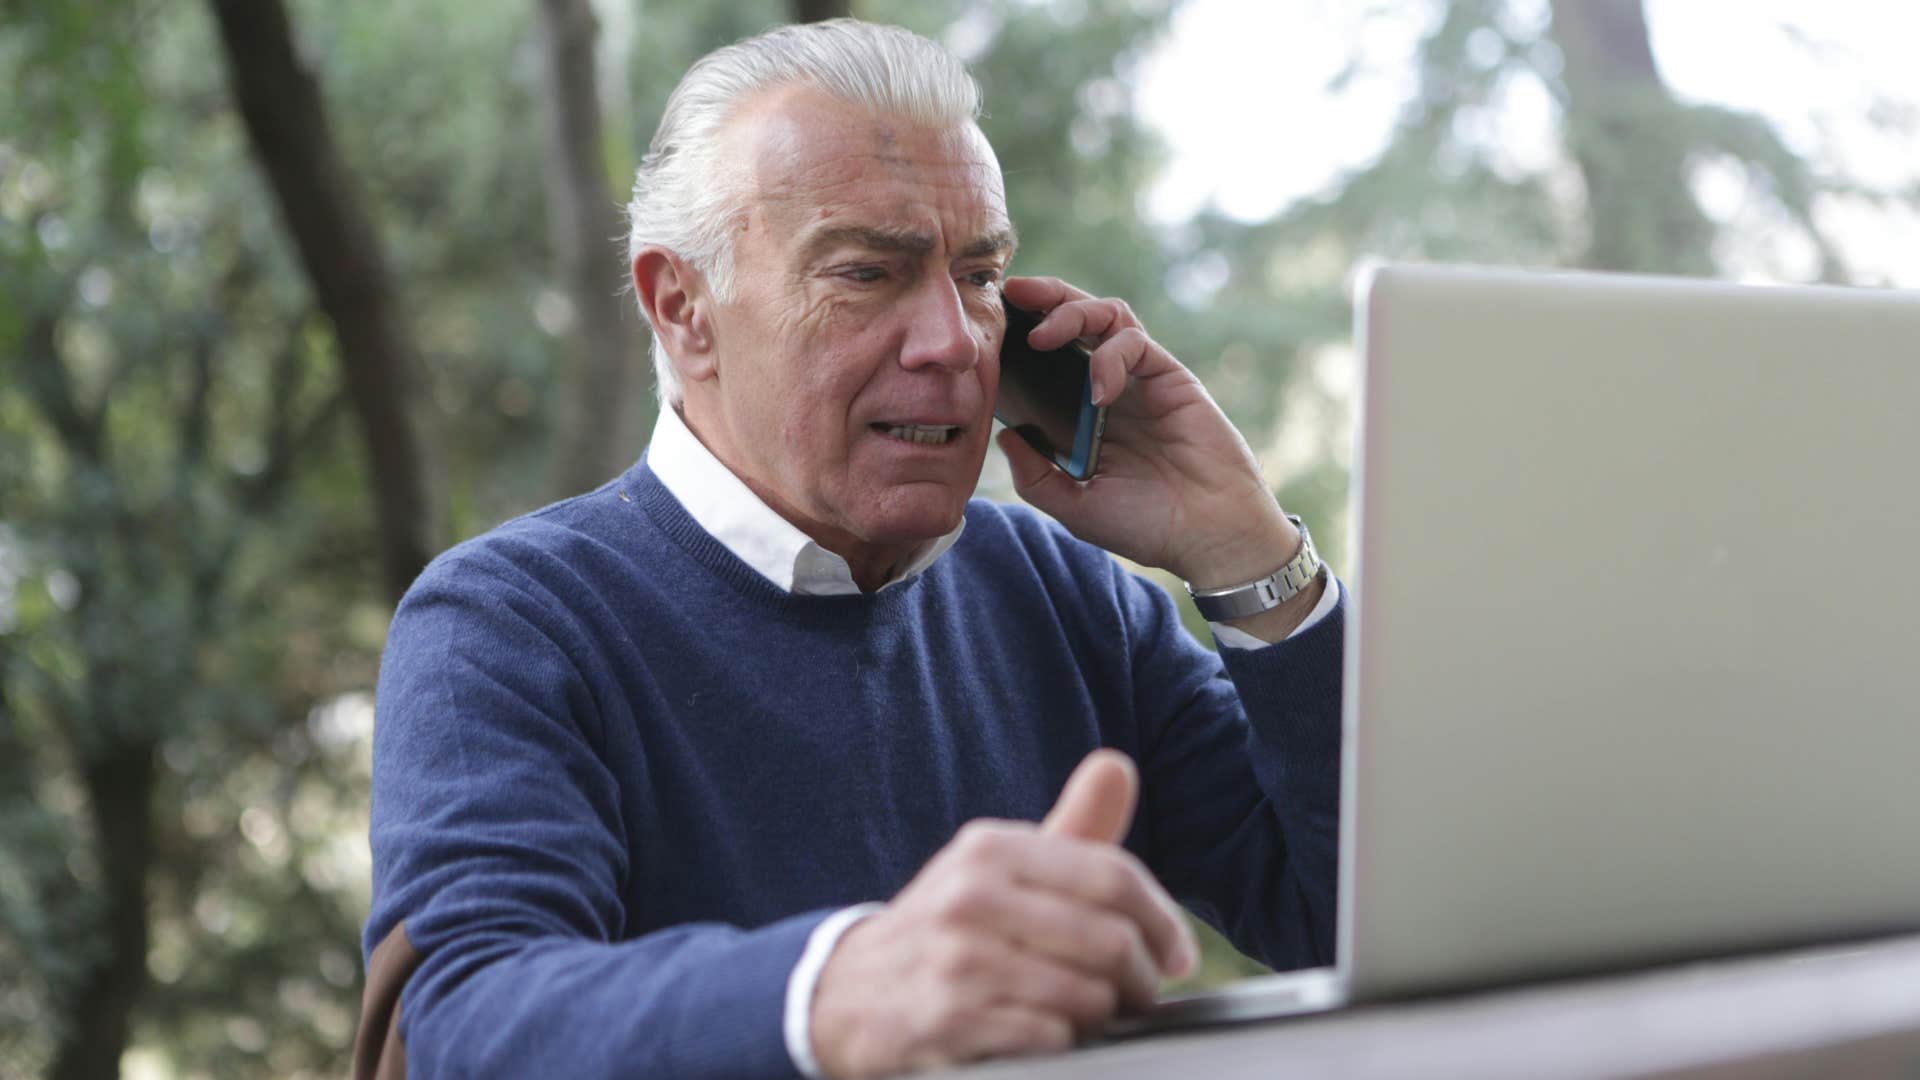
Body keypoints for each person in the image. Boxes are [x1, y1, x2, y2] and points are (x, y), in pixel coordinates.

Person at [357, 18, 1346, 1080]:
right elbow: (459, 1021)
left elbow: (1350, 917)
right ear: (683, 309)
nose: (953, 343)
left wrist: (1245, 549)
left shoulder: (1064, 598)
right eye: (868, 273)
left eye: (978, 276)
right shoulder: (509, 623)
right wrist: (836, 990)